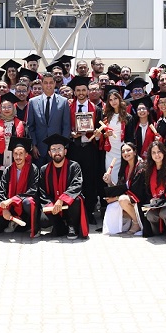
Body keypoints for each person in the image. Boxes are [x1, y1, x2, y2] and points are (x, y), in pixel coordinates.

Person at [37, 134, 89, 239]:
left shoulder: (74, 166)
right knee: (43, 221)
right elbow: (41, 191)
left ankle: (72, 225)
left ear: (65, 151)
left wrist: (62, 200)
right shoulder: (44, 170)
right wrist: (50, 205)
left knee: (77, 199)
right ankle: (60, 226)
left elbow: (77, 185)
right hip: (53, 207)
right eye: (53, 149)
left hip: (69, 207)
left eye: (60, 149)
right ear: (49, 153)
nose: (57, 152)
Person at [0, 137, 41, 237]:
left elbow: (33, 190)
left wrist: (12, 200)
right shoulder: (8, 170)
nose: (18, 157)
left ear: (26, 155)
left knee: (28, 202)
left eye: (21, 154)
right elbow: (0, 189)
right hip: (11, 206)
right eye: (15, 154)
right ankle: (3, 226)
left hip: (25, 204)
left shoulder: (33, 169)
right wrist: (3, 207)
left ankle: (34, 227)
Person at [66, 76, 101, 223]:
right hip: (74, 148)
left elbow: (100, 129)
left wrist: (96, 134)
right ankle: (73, 212)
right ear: (74, 92)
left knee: (89, 181)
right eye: (78, 90)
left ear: (88, 92)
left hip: (89, 149)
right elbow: (65, 127)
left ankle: (89, 212)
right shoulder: (68, 108)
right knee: (74, 180)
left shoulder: (96, 109)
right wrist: (71, 134)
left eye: (83, 90)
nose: (81, 93)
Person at [100, 142, 146, 236]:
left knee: (122, 200)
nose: (125, 153)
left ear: (134, 152)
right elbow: (121, 188)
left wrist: (116, 198)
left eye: (128, 150)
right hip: (129, 198)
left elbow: (137, 190)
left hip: (140, 198)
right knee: (112, 206)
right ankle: (120, 226)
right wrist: (109, 182)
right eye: (123, 151)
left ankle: (137, 223)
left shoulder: (141, 167)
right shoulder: (124, 167)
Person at [26, 72, 69, 162]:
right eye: (45, 82)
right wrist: (33, 145)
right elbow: (30, 126)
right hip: (39, 149)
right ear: (42, 84)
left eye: (51, 82)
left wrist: (63, 146)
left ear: (54, 84)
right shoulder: (32, 102)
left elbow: (66, 126)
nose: (48, 85)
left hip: (57, 150)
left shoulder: (63, 102)